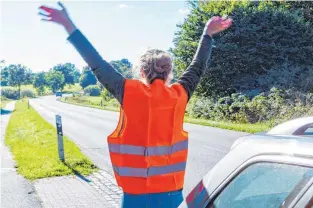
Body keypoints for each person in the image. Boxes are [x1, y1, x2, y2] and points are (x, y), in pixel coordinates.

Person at [39, 2, 232, 208]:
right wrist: (207, 34)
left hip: (134, 197)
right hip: (171, 194)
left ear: (141, 71)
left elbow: (96, 63)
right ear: (168, 72)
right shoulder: (179, 94)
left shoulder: (127, 91)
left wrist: (69, 25)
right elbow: (198, 66)